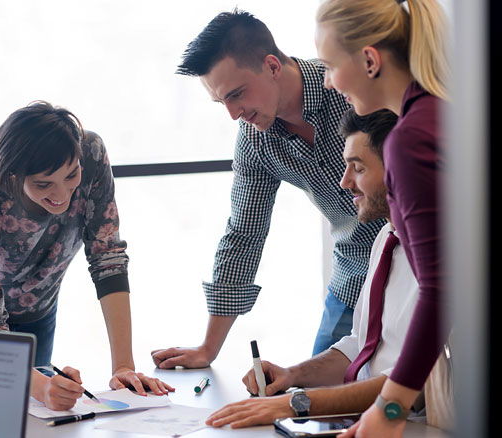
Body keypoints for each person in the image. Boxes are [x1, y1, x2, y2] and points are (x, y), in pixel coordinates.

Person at [151, 9, 386, 370]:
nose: (233, 114)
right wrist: (208, 349)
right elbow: (244, 233)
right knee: (316, 402)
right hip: (354, 275)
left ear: (273, 66)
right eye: (221, 103)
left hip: (419, 258)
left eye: (237, 94)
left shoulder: (349, 87)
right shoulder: (255, 140)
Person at [0, 101, 174, 411]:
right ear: (13, 175)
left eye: (71, 176)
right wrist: (40, 387)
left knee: (24, 415)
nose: (61, 195)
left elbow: (107, 256)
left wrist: (123, 367)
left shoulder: (91, 153)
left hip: (35, 301)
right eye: (43, 184)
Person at [207, 109, 419, 428]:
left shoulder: (442, 260)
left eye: (358, 169)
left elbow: (413, 385)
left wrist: (298, 403)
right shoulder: (385, 238)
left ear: (398, 171)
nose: (344, 182)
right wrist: (293, 376)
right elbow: (360, 345)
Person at [314, 1, 448, 436]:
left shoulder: (411, 139)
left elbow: (441, 288)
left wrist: (388, 412)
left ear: (370, 60)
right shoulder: (440, 112)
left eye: (331, 66)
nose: (330, 84)